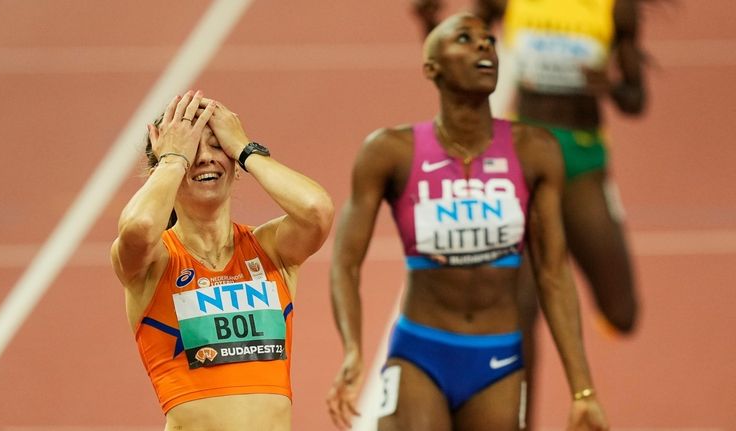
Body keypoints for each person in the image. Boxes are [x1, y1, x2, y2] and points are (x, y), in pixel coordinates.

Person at [327, 13, 608, 431]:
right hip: (421, 353)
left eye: (488, 41)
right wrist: (352, 348)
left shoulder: (534, 151)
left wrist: (583, 390)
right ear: (432, 68)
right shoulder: (390, 152)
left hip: (499, 360)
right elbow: (345, 262)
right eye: (464, 38)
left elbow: (553, 274)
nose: (483, 46)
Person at [110, 90, 334, 431]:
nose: (204, 158)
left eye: (217, 145)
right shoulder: (154, 264)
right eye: (190, 148)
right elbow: (139, 226)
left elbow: (317, 211)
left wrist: (246, 149)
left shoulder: (270, 252)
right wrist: (172, 160)